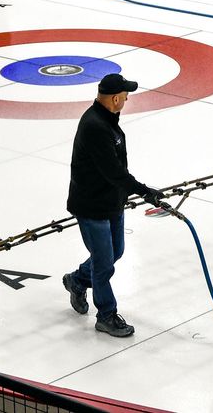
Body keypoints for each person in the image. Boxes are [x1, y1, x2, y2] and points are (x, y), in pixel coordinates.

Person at [63, 73, 163, 338]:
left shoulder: (108, 121)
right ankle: (106, 314)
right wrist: (144, 192)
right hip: (92, 206)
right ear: (115, 98)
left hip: (111, 202)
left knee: (114, 252)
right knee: (104, 264)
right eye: (125, 95)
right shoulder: (95, 126)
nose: (128, 99)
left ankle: (77, 280)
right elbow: (114, 172)